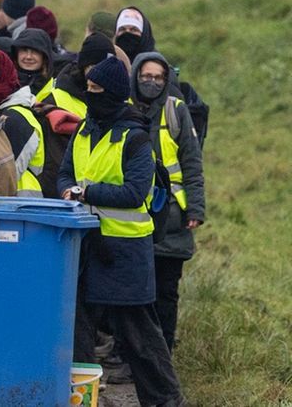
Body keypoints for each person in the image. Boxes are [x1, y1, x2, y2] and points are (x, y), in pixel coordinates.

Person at [60, 56, 183, 407]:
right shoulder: (85, 129)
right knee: (79, 332)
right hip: (86, 246)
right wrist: (71, 188)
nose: (89, 94)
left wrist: (85, 192)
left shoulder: (136, 138)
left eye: (96, 90)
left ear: (113, 94)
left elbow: (134, 192)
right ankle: (82, 399)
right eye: (88, 88)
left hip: (124, 253)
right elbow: (65, 173)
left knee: (138, 338)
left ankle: (166, 400)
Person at [131, 51, 205, 353]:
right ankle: (131, 356)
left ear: (166, 79)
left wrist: (196, 208)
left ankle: (163, 355)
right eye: (145, 76)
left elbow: (192, 161)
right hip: (132, 216)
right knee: (135, 293)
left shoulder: (176, 110)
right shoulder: (124, 109)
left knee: (165, 293)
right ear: (136, 77)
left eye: (158, 77)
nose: (151, 82)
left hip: (172, 218)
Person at [0, 48, 44, 197]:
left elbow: (6, 171)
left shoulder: (15, 117)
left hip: (18, 199)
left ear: (1, 74)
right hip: (4, 198)